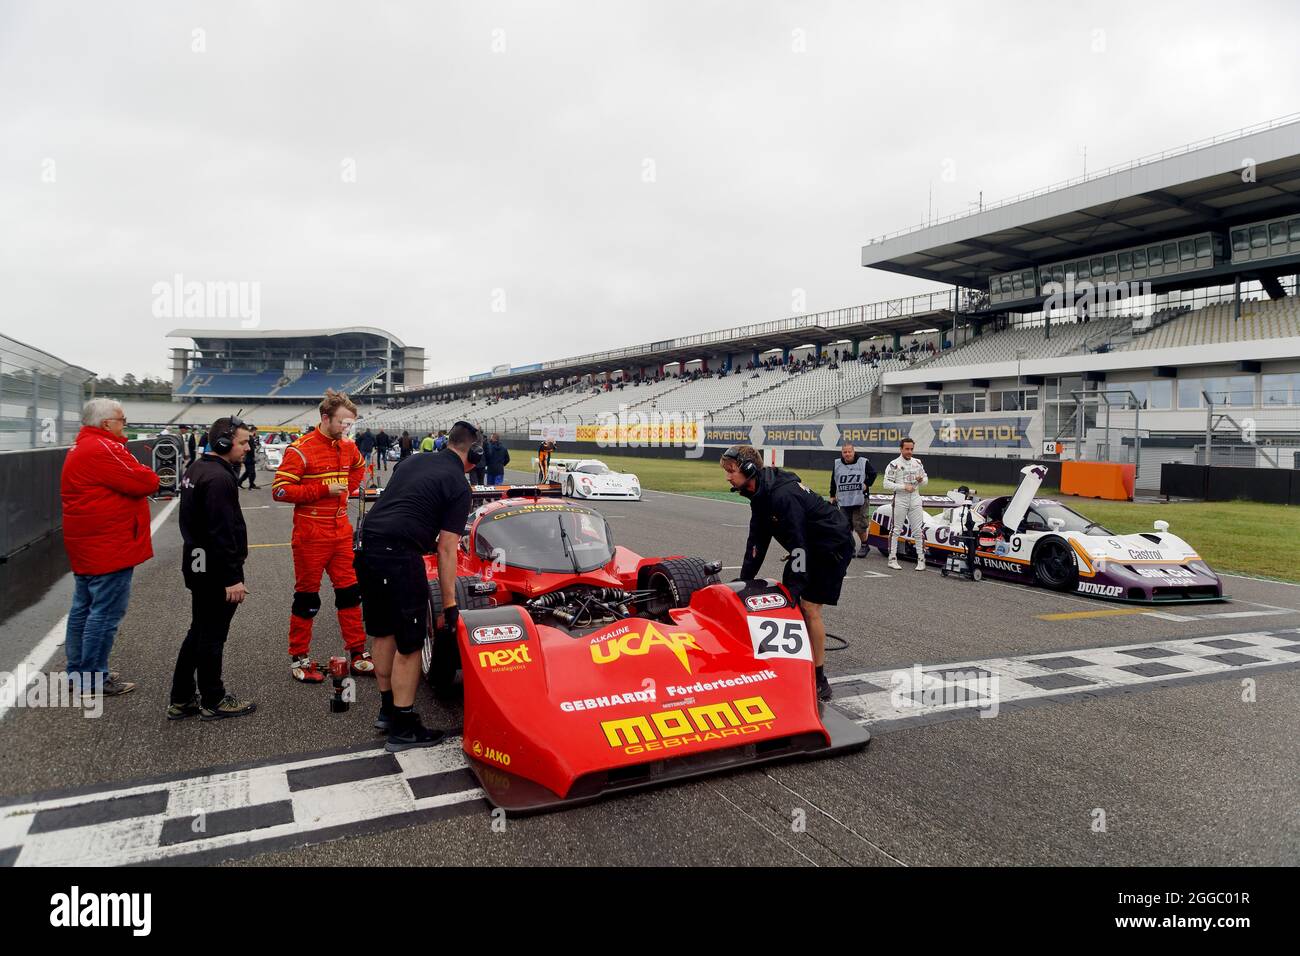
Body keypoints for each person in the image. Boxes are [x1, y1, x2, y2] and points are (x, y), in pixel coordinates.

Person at [354, 420, 479, 751]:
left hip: (368, 547)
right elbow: (447, 548)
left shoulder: (411, 461)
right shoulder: (458, 485)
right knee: (409, 645)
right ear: (474, 453)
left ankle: (387, 711)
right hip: (399, 554)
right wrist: (450, 603)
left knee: (384, 633)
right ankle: (404, 726)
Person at [720, 445, 853, 702]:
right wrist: (744, 581)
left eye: (731, 471)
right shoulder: (760, 494)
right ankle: (796, 661)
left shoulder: (782, 495)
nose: (727, 476)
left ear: (749, 469)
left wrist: (795, 586)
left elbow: (798, 543)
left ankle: (819, 680)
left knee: (808, 606)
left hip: (831, 546)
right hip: (808, 546)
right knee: (792, 598)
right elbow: (757, 542)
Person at [60, 398, 160, 697]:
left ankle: (78, 671)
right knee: (104, 613)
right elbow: (146, 481)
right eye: (122, 420)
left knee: (83, 609)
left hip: (89, 542)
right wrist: (145, 472)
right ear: (106, 423)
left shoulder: (82, 446)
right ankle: (93, 677)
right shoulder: (104, 448)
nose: (124, 425)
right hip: (109, 544)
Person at [272, 389, 373, 681]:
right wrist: (323, 490)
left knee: (350, 593)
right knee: (307, 598)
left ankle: (357, 652)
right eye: (343, 422)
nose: (347, 429)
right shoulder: (300, 449)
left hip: (341, 532)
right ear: (325, 417)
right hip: (310, 534)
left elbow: (358, 469)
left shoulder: (348, 447)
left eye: (351, 424)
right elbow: (279, 490)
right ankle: (299, 658)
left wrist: (345, 491)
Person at [170, 416, 257, 720]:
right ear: (223, 442)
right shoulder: (219, 478)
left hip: (197, 564)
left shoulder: (197, 467)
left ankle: (181, 698)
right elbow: (222, 532)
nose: (248, 447)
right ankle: (213, 699)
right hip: (215, 571)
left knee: (198, 632)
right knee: (212, 637)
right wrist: (233, 578)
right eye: (243, 442)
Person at [883, 438, 928, 571]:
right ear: (901, 449)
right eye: (907, 449)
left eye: (911, 449)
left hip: (915, 498)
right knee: (896, 529)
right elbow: (886, 484)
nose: (909, 451)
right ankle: (892, 558)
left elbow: (925, 480)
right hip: (900, 499)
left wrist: (921, 480)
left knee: (918, 530)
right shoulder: (894, 464)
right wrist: (903, 487)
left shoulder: (918, 462)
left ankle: (921, 559)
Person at [829, 442, 877, 559]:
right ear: (842, 453)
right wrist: (832, 495)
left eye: (849, 451)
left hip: (860, 498)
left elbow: (873, 474)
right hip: (845, 499)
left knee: (859, 525)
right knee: (845, 525)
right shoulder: (837, 464)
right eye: (845, 452)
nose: (847, 454)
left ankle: (865, 545)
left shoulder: (863, 462)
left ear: (853, 452)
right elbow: (834, 480)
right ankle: (850, 546)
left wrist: (867, 484)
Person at [238, 424, 260, 489]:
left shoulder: (248, 437)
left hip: (247, 458)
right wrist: (253, 458)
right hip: (249, 458)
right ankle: (251, 485)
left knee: (247, 472)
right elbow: (251, 450)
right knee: (252, 472)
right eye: (256, 431)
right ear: (254, 430)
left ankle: (239, 482)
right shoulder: (250, 438)